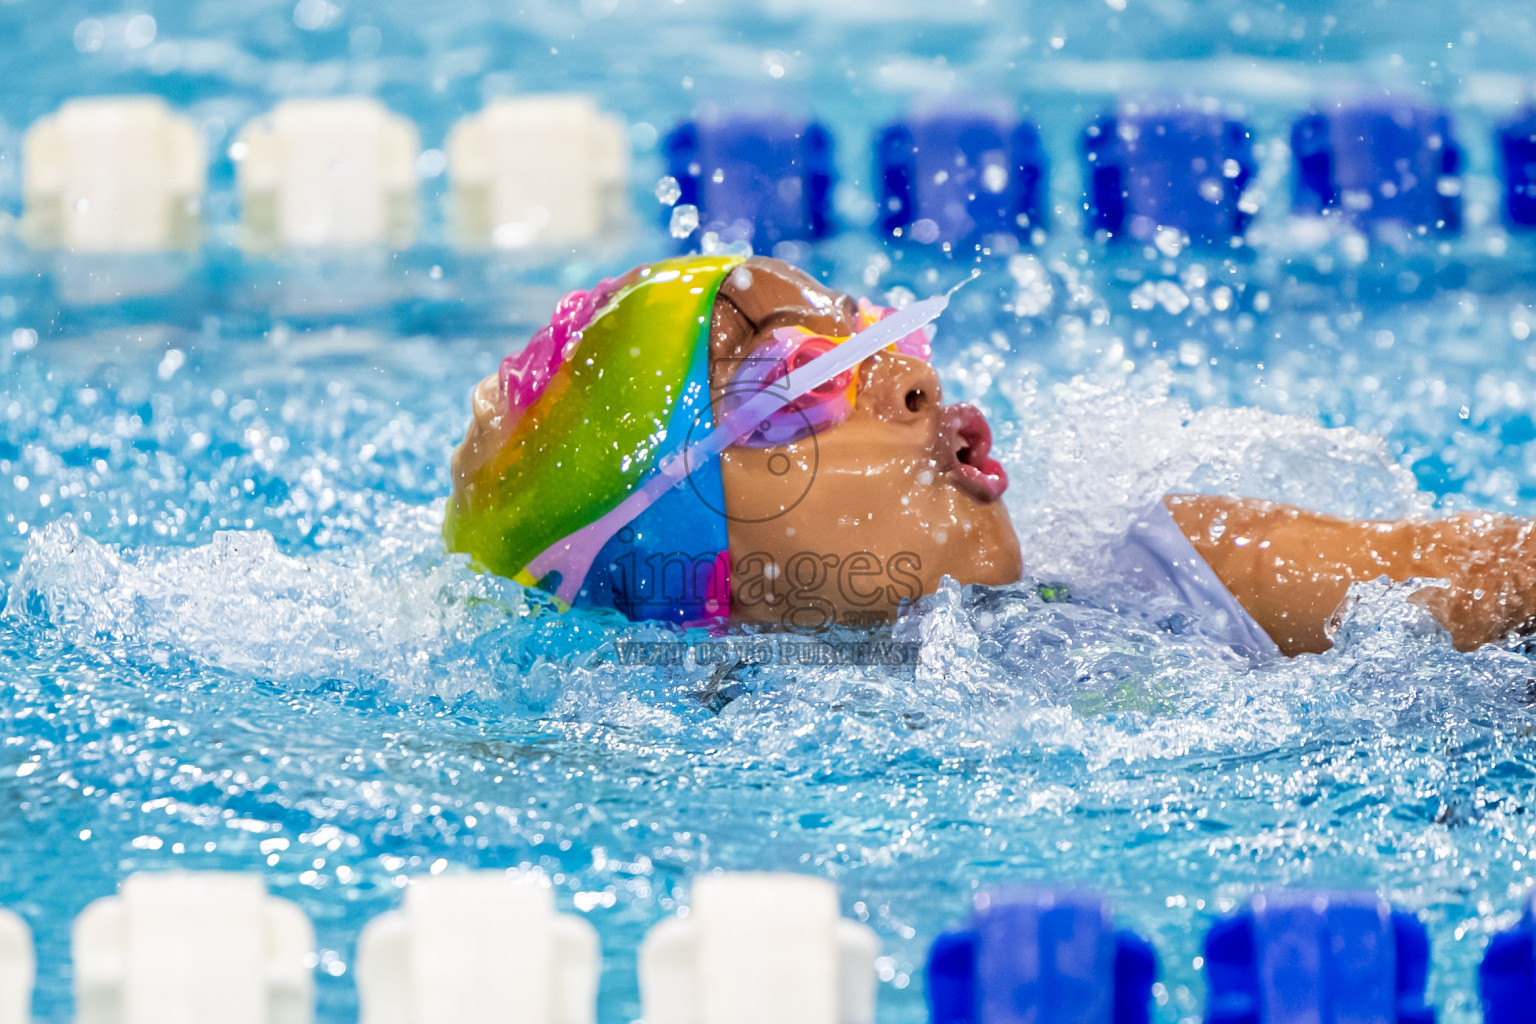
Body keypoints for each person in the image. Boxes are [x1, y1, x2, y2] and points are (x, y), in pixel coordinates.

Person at [446, 255, 1536, 659]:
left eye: (877, 331)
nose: (917, 379)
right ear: (688, 561)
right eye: (796, 379)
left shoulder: (1176, 574)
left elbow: (1505, 579)